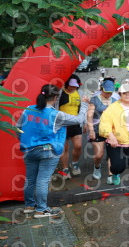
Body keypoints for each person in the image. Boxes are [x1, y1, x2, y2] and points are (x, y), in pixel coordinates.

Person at [18, 84, 90, 217]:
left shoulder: (28, 110)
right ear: (56, 97)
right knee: (43, 180)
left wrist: (25, 142)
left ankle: (29, 205)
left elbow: (18, 128)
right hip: (47, 151)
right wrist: (85, 105)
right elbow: (79, 120)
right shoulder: (56, 115)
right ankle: (41, 209)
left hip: (29, 150)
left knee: (30, 179)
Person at [99, 83, 129, 197]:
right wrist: (110, 135)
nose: (127, 95)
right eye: (124, 93)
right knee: (118, 166)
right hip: (116, 143)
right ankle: (115, 173)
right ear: (120, 94)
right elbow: (104, 123)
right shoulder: (112, 108)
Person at [87, 80, 117, 181]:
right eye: (106, 91)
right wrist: (91, 130)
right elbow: (89, 116)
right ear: (101, 89)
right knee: (99, 154)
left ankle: (110, 175)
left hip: (111, 130)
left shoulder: (114, 101)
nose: (109, 94)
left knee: (112, 154)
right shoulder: (95, 100)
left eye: (110, 92)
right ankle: (97, 167)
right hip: (97, 129)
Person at [57, 74, 84, 177]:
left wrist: (85, 122)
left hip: (76, 123)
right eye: (71, 85)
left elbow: (83, 108)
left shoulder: (80, 93)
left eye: (75, 85)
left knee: (78, 146)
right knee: (65, 148)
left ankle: (75, 163)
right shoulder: (60, 93)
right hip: (62, 124)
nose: (73, 87)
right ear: (66, 84)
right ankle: (65, 168)